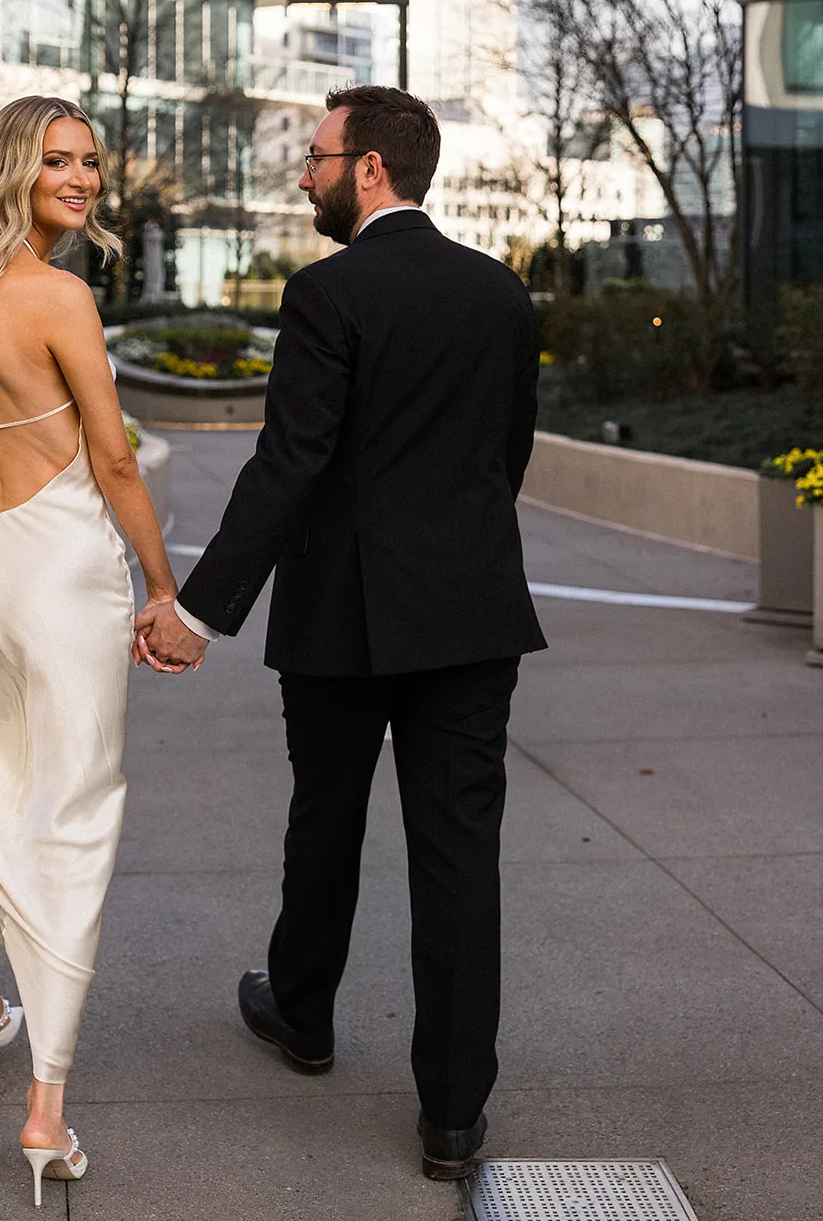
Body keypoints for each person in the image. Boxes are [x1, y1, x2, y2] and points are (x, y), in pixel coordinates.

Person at [135, 84, 546, 1182]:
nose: (305, 176)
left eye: (315, 158)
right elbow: (508, 458)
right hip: (469, 617)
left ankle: (304, 1016)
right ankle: (454, 1112)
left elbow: (291, 463)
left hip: (342, 617)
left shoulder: (327, 293)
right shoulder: (501, 293)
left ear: (369, 168)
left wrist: (196, 609)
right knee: (460, 858)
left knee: (326, 823)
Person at [0, 96, 181, 1209]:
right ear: (11, 170)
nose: (83, 178)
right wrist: (164, 590)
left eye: (91, 162)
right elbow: (113, 464)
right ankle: (46, 1108)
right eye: (58, 160)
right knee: (72, 810)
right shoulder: (59, 297)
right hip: (56, 575)